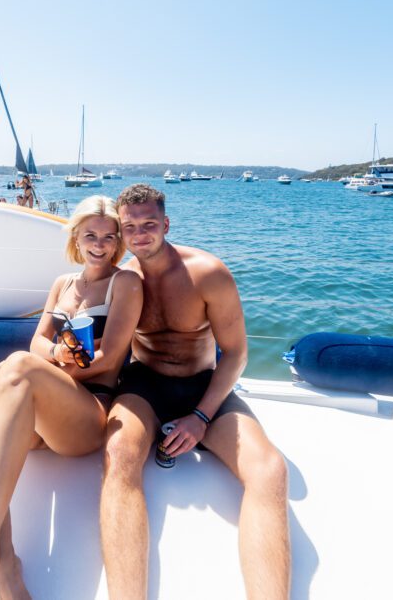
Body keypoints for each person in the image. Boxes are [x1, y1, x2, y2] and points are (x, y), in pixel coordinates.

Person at [0, 195, 143, 600]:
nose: (100, 244)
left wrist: (63, 365)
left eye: (109, 236)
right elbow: (37, 342)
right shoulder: (63, 284)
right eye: (91, 236)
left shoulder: (125, 283)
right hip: (43, 414)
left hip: (87, 413)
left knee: (19, 367)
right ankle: (3, 560)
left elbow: (111, 357)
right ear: (76, 238)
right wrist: (55, 355)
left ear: (118, 242)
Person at [100, 183, 290, 600]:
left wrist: (202, 416)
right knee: (118, 456)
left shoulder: (207, 272)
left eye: (149, 224)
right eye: (129, 226)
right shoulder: (123, 281)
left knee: (270, 470)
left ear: (166, 224)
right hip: (144, 383)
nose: (140, 234)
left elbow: (237, 353)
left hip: (203, 385)